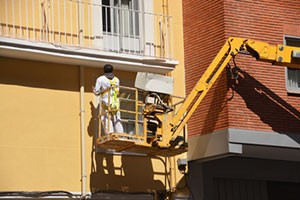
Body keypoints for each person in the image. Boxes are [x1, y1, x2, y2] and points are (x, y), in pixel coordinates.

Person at [93, 64, 124, 134]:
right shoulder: (116, 79)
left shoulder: (100, 79)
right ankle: (120, 133)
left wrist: (94, 90)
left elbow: (97, 92)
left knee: (106, 117)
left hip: (106, 100)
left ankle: (110, 133)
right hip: (115, 102)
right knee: (117, 118)